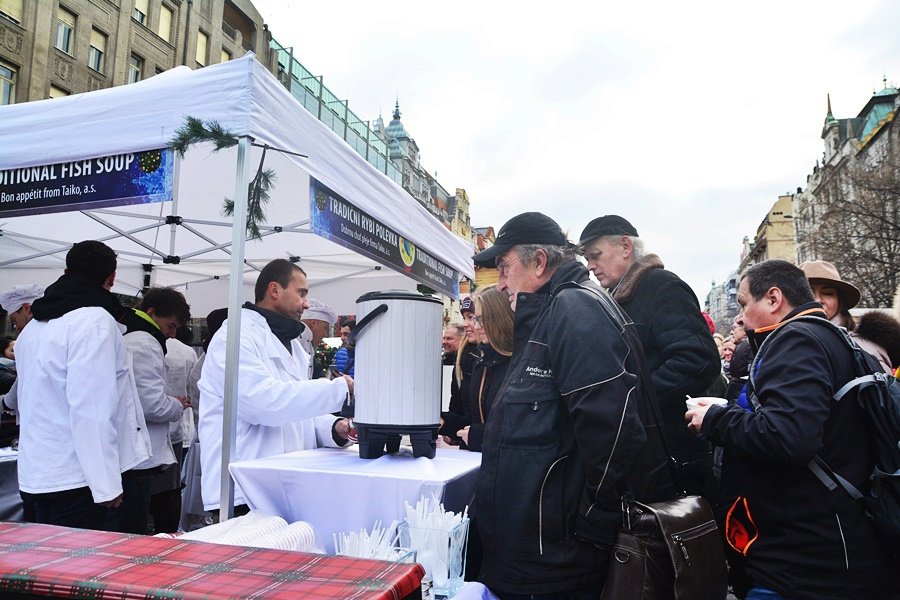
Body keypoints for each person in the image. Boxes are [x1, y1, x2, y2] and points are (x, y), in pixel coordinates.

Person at [471, 212, 673, 599]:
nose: (499, 284)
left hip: (555, 560)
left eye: (503, 268)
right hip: (543, 552)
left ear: (540, 262)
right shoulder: (559, 309)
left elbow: (613, 430)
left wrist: (594, 524)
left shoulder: (574, 309)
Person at [686, 259, 895, 600]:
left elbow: (790, 437)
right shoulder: (837, 339)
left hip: (803, 563)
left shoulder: (796, 339)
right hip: (838, 549)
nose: (740, 317)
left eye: (743, 304)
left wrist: (714, 420)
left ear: (773, 299)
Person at [579, 215, 721, 496]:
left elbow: (697, 361)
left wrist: (632, 400)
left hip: (673, 454)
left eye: (595, 255)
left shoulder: (662, 286)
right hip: (647, 451)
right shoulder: (618, 297)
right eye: (586, 259)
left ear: (625, 246)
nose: (590, 266)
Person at [198, 259, 354, 514]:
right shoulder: (235, 336)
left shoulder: (291, 343)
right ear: (274, 290)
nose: (306, 303)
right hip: (243, 492)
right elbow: (263, 404)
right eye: (301, 293)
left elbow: (299, 414)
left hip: (285, 486)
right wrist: (338, 389)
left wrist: (335, 428)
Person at [14, 240, 150, 530]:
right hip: (78, 481)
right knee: (85, 573)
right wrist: (106, 485)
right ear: (111, 278)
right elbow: (91, 407)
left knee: (41, 572)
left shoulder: (32, 329)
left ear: (66, 270)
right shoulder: (94, 321)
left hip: (36, 476)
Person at [110, 287, 190, 534]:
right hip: (138, 455)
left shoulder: (127, 335)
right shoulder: (145, 343)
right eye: (170, 326)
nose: (172, 334)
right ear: (152, 313)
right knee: (132, 525)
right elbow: (150, 404)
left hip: (124, 449)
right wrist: (176, 405)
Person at [800, 260, 896, 373]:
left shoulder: (863, 348)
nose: (817, 300)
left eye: (827, 293)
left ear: (839, 302)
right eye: (808, 293)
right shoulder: (779, 343)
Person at [455, 286, 513, 453]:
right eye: (475, 319)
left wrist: (477, 436)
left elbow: (525, 429)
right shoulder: (481, 366)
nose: (476, 326)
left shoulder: (520, 364)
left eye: (480, 319)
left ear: (500, 317)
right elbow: (474, 419)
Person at [299, 298, 337, 379]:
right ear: (313, 324)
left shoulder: (308, 344)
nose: (325, 335)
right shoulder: (295, 341)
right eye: (325, 328)